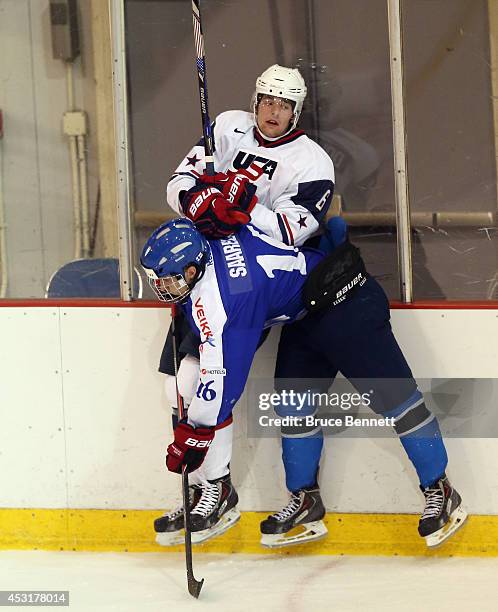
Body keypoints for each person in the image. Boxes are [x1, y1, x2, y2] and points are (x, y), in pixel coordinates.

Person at [141, 217, 467, 549]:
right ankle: (306, 502)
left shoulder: (229, 298)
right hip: (307, 312)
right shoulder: (210, 240)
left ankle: (441, 490)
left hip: (348, 302)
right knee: (293, 406)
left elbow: (224, 381)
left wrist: (196, 432)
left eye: (168, 280)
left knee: (396, 400)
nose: (163, 288)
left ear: (193, 269)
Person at [154, 64, 335, 541]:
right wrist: (199, 203)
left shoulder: (313, 161)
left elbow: (298, 230)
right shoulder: (226, 127)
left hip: (254, 284)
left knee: (214, 376)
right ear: (255, 100)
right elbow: (176, 182)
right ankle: (212, 489)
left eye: (283, 105)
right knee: (180, 379)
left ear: (297, 110)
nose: (272, 112)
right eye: (266, 101)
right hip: (207, 271)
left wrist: (245, 204)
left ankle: (216, 495)